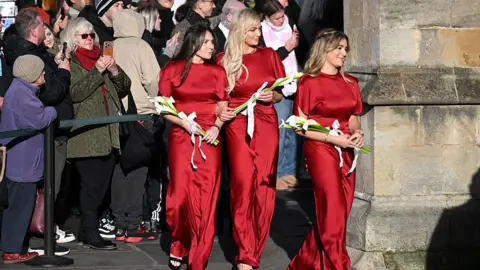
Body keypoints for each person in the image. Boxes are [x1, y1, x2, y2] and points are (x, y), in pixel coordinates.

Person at [287, 29, 364, 270]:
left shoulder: (351, 82)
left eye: (345, 49)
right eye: (339, 48)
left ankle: (306, 263)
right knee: (332, 208)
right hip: (321, 149)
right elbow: (299, 126)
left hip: (346, 150)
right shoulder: (309, 82)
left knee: (341, 212)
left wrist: (357, 132)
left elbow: (352, 116)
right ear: (325, 50)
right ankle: (339, 265)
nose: (344, 53)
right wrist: (332, 140)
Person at [216, 8, 286, 270]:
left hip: (267, 123)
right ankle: (245, 253)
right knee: (243, 184)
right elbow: (217, 97)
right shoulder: (224, 59)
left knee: (264, 186)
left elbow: (280, 93)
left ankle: (254, 249)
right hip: (237, 124)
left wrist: (273, 97)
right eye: (252, 29)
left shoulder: (269, 55)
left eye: (259, 28)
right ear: (240, 31)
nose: (258, 33)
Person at [159, 24, 232, 269]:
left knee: (206, 199)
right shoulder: (172, 69)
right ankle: (179, 241)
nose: (213, 46)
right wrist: (185, 124)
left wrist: (217, 127)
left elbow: (224, 106)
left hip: (210, 139)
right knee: (178, 197)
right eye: (208, 41)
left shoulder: (218, 72)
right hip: (182, 137)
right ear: (194, 43)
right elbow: (162, 107)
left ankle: (199, 258)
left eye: (213, 42)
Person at [6, 8, 75, 245]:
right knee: (28, 197)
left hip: (29, 152)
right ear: (35, 29)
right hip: (28, 153)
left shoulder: (29, 56)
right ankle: (20, 245)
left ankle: (20, 243)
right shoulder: (25, 79)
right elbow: (43, 108)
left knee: (30, 195)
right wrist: (63, 73)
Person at [60, 17, 131, 250]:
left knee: (101, 186)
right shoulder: (71, 61)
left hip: (108, 132)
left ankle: (89, 230)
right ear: (73, 38)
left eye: (91, 35)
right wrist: (97, 71)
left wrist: (113, 69)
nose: (90, 39)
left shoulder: (102, 57)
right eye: (84, 36)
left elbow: (124, 88)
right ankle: (89, 233)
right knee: (92, 187)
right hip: (85, 134)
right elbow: (76, 93)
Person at [110, 9, 161, 243]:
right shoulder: (142, 46)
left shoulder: (108, 45)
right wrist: (154, 99)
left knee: (119, 169)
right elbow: (152, 79)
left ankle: (119, 223)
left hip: (113, 115)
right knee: (139, 169)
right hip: (141, 113)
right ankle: (133, 225)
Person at [0, 55, 57, 264]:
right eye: (40, 71)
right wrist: (52, 111)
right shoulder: (23, 95)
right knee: (20, 208)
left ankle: (12, 246)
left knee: (17, 206)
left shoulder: (19, 90)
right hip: (23, 163)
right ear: (31, 75)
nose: (44, 74)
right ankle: (12, 251)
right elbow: (40, 119)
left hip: (20, 160)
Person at [260, 0, 299, 189]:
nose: (280, 20)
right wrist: (287, 48)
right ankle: (277, 172)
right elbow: (267, 59)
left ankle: (289, 170)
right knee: (281, 132)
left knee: (292, 131)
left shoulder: (291, 25)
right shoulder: (261, 31)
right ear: (267, 18)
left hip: (294, 83)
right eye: (276, 18)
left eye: (282, 16)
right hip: (277, 86)